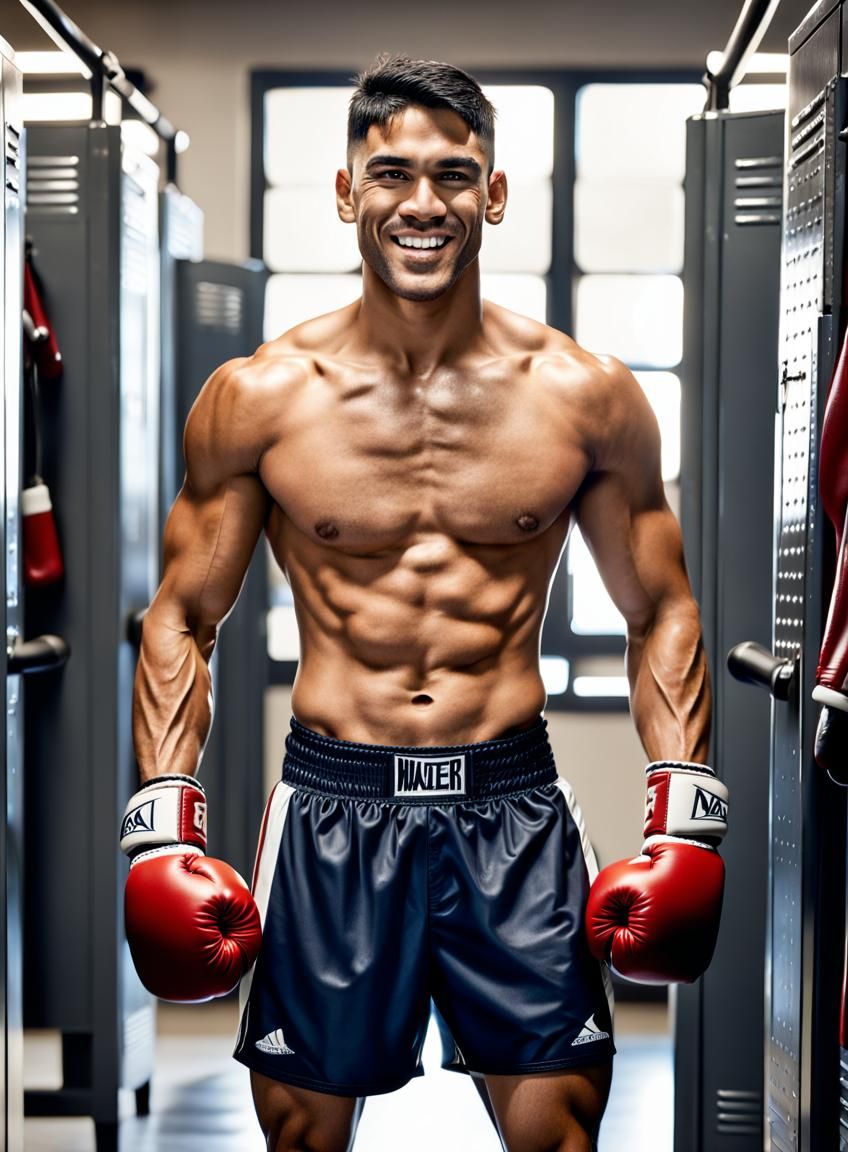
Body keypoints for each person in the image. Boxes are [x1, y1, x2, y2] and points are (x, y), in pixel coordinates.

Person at [121, 55, 728, 1152]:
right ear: (346, 191)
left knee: (560, 1134)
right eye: (390, 173)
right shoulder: (258, 399)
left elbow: (660, 610)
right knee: (304, 1139)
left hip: (512, 809)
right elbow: (180, 616)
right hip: (332, 809)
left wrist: (682, 812)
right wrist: (162, 823)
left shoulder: (583, 396)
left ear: (491, 195)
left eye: (454, 175)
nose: (422, 204)